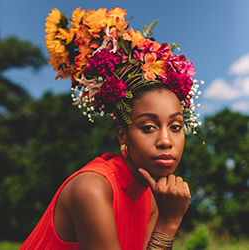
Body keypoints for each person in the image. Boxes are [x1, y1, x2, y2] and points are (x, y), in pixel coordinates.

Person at [20, 6, 203, 250]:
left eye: (176, 126)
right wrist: (169, 223)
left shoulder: (152, 197)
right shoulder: (92, 189)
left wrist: (165, 218)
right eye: (149, 127)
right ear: (122, 135)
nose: (166, 141)